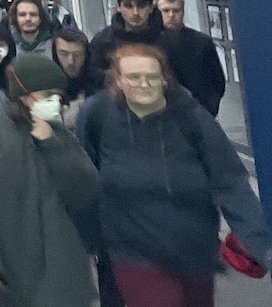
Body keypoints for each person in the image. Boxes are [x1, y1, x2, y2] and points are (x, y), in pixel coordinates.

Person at [79, 43, 271, 307]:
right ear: (119, 81)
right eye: (134, 77)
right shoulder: (97, 116)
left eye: (152, 76)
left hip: (194, 249)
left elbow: (230, 182)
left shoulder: (192, 119)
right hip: (133, 250)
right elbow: (86, 174)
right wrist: (89, 237)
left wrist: (261, 244)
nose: (144, 84)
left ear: (164, 79)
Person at [0, 53, 99, 306]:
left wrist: (52, 144)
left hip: (63, 269)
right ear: (23, 93)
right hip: (12, 268)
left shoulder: (59, 133)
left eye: (59, 98)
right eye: (47, 96)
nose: (55, 104)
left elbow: (87, 190)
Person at [157, 0, 226, 116]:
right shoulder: (150, 44)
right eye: (166, 11)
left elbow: (217, 80)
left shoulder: (201, 42)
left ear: (183, 12)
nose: (171, 15)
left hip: (199, 111)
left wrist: (209, 108)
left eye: (176, 11)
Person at [86, 0, 162, 80]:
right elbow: (91, 77)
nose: (135, 12)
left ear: (151, 8)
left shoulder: (167, 39)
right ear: (119, 7)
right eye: (128, 6)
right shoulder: (103, 40)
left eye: (141, 6)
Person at [52, 29, 97, 128]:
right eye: (63, 54)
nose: (71, 61)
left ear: (86, 55)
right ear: (55, 54)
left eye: (77, 55)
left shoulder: (100, 83)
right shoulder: (46, 84)